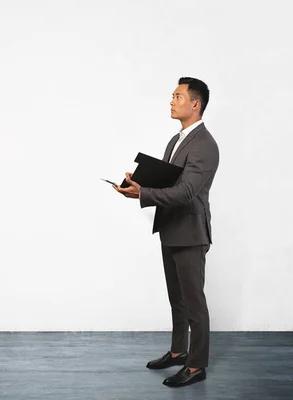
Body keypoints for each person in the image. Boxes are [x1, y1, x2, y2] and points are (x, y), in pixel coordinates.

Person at [114, 77, 219, 388]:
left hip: (190, 232)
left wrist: (143, 193)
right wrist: (139, 182)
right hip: (171, 228)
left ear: (195, 104)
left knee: (194, 304)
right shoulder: (176, 141)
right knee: (178, 300)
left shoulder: (204, 145)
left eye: (178, 96)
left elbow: (187, 192)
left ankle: (196, 365)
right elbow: (169, 181)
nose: (172, 101)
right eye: (172, 96)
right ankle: (178, 351)